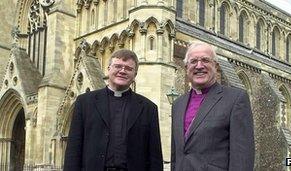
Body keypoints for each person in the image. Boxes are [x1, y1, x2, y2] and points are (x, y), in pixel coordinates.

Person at [64, 49, 163, 171]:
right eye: (118, 66)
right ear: (108, 69)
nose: (122, 71)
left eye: (128, 68)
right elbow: (73, 149)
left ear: (135, 74)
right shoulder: (85, 102)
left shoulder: (148, 108)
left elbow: (155, 157)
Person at [171, 42, 254, 171]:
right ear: (186, 68)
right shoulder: (178, 104)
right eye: (193, 61)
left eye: (205, 60)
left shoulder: (235, 99)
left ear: (216, 66)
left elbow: (242, 156)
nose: (199, 66)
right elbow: (176, 156)